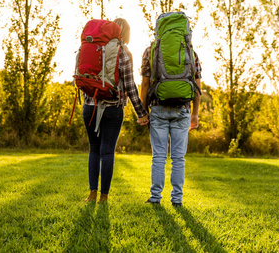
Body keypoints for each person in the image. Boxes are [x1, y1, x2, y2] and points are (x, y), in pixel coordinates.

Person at [83, 18, 149, 203]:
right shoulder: (124, 53)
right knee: (107, 152)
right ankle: (104, 197)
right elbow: (130, 86)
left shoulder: (94, 46)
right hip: (113, 109)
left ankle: (92, 194)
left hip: (90, 106)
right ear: (126, 34)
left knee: (94, 150)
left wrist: (89, 101)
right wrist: (141, 113)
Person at [140, 45, 201, 206]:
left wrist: (143, 111)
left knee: (159, 156)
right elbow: (197, 87)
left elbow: (145, 84)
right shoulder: (190, 51)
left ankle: (155, 198)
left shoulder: (150, 50)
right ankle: (177, 199)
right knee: (178, 158)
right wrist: (195, 113)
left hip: (158, 107)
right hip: (182, 109)